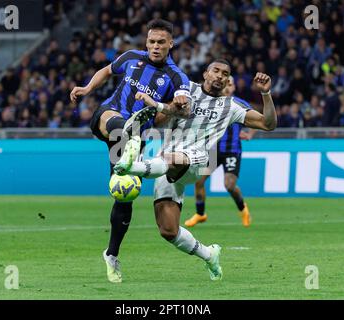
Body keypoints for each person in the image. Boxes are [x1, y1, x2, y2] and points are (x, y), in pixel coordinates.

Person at [114, 60, 276, 280]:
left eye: (225, 74)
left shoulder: (232, 106)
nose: (220, 76)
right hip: (166, 163)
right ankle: (209, 255)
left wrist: (266, 94)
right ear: (206, 73)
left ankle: (130, 167)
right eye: (216, 71)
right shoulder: (186, 89)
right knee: (168, 230)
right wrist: (168, 108)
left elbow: (268, 124)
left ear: (228, 80)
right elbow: (159, 121)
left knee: (171, 159)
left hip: (199, 160)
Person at [69, 19, 191, 283]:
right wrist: (88, 88)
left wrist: (175, 104)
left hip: (135, 138)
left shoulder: (177, 78)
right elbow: (106, 70)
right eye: (151, 42)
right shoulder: (131, 57)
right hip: (109, 117)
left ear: (171, 44)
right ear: (146, 42)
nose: (155, 47)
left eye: (161, 42)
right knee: (116, 122)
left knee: (124, 193)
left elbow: (180, 109)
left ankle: (111, 254)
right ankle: (128, 129)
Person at [185, 76, 255, 228]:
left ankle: (243, 209)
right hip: (213, 150)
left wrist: (248, 133)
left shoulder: (239, 103)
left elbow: (257, 119)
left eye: (231, 84)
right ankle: (200, 214)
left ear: (234, 87)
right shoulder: (212, 103)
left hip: (232, 151)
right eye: (226, 84)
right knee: (199, 181)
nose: (228, 87)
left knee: (229, 185)